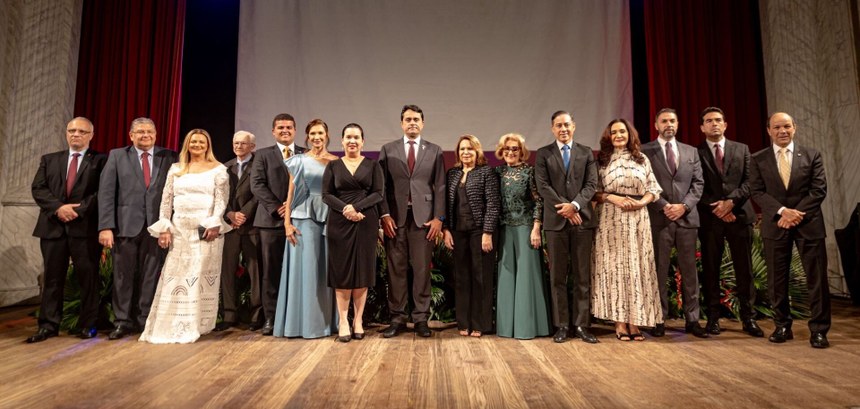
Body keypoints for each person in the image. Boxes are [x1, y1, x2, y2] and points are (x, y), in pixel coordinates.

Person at [140, 129, 230, 344]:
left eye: (202, 142)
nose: (197, 145)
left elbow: (221, 201)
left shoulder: (218, 169)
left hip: (205, 230)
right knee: (176, 274)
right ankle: (169, 323)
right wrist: (164, 227)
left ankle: (197, 324)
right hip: (180, 230)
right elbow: (166, 199)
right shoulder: (176, 169)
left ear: (208, 145)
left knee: (199, 274)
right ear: (187, 145)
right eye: (193, 142)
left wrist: (214, 223)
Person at [749, 112, 830, 348]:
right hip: (776, 224)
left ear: (794, 127)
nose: (782, 131)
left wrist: (794, 214)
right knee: (777, 279)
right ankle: (782, 325)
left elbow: (818, 190)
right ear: (769, 131)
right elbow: (757, 192)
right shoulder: (758, 159)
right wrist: (783, 211)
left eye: (786, 126)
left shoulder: (812, 155)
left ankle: (819, 330)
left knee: (816, 279)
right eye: (777, 127)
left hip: (809, 224)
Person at [28, 117, 107, 343]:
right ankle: (48, 326)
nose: (76, 134)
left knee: (88, 278)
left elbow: (102, 192)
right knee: (52, 279)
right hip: (53, 228)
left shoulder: (101, 160)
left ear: (91, 135)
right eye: (72, 130)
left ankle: (88, 325)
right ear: (66, 133)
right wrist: (59, 208)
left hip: (84, 229)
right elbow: (39, 188)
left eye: (82, 131)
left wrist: (78, 211)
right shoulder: (50, 159)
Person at [98, 117, 178, 340]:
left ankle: (145, 320)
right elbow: (106, 193)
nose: (146, 135)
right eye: (141, 132)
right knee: (122, 276)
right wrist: (106, 227)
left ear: (155, 134)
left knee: (150, 275)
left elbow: (174, 194)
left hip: (157, 228)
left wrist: (168, 226)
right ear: (131, 135)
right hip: (125, 227)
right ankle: (122, 321)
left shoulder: (169, 156)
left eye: (150, 132)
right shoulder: (116, 155)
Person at [378, 105, 446, 338]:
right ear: (401, 123)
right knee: (396, 270)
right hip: (394, 221)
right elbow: (381, 188)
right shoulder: (388, 150)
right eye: (408, 119)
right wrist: (384, 215)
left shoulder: (435, 150)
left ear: (423, 123)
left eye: (416, 119)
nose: (412, 123)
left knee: (421, 271)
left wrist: (439, 218)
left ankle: (420, 320)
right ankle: (397, 319)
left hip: (424, 221)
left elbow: (440, 186)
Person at [591, 119, 662, 341]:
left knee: (636, 269)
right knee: (614, 270)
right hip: (611, 219)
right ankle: (620, 323)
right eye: (614, 132)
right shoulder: (602, 160)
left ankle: (635, 322)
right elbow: (595, 191)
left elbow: (653, 188)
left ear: (629, 134)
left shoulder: (642, 159)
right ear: (608, 137)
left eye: (622, 131)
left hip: (638, 220)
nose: (618, 135)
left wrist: (641, 203)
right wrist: (615, 199)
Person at [696, 107, 763, 337]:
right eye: (709, 121)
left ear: (725, 125)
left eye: (718, 120)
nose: (714, 124)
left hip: (740, 216)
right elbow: (696, 186)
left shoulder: (742, 149)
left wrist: (731, 203)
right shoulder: (696, 153)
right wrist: (718, 208)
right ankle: (713, 318)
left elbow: (750, 181)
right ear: (702, 127)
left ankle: (749, 318)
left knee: (744, 270)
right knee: (711, 270)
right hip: (710, 219)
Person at [534, 110, 599, 344]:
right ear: (552, 128)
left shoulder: (586, 152)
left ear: (574, 126)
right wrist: (565, 208)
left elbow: (592, 184)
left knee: (582, 276)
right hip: (556, 223)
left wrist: (575, 206)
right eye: (558, 125)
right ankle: (561, 325)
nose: (563, 129)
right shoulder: (543, 154)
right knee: (558, 277)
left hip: (582, 221)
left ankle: (581, 325)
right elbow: (542, 186)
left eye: (567, 125)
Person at [641, 108, 707, 338]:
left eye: (672, 121)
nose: (669, 124)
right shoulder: (644, 151)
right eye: (664, 121)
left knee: (690, 272)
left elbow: (698, 184)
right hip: (659, 219)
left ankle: (692, 319)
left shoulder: (691, 151)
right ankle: (659, 318)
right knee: (659, 271)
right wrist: (664, 206)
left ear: (678, 124)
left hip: (687, 219)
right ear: (656, 124)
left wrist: (684, 206)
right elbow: (643, 183)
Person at [273, 119, 338, 339]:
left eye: (320, 133)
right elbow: (290, 194)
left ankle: (328, 324)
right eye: (313, 134)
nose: (317, 137)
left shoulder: (336, 162)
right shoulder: (298, 160)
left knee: (325, 270)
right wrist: (287, 223)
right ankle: (301, 325)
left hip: (329, 218)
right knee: (306, 271)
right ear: (307, 137)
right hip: (303, 218)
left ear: (327, 135)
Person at [322, 123, 385, 342]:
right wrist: (346, 209)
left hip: (366, 221)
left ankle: (358, 320)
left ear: (362, 141)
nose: (352, 141)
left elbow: (378, 193)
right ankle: (342, 320)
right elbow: (326, 194)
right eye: (348, 137)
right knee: (342, 273)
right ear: (342, 140)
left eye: (356, 137)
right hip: (339, 223)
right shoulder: (333, 166)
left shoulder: (373, 165)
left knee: (362, 272)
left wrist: (357, 208)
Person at [250, 113, 306, 335]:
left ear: (295, 130)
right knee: (271, 272)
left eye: (289, 127)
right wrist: (278, 208)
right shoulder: (262, 155)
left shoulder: (305, 153)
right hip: (271, 223)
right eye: (280, 127)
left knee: (298, 271)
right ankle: (271, 318)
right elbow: (257, 184)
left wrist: (293, 209)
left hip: (300, 221)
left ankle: (296, 316)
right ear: (273, 131)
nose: (285, 130)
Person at [442, 135, 500, 338]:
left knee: (480, 278)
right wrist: (446, 229)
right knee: (462, 279)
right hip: (458, 231)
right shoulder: (452, 174)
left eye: (470, 149)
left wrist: (487, 232)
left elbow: (493, 204)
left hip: (479, 231)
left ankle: (480, 324)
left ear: (478, 152)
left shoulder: (486, 172)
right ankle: (463, 322)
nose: (466, 152)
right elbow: (446, 205)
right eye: (462, 149)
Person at [494, 133, 550, 340]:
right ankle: (506, 328)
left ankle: (529, 328)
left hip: (526, 228)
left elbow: (539, 201)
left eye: (515, 149)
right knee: (506, 276)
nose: (510, 152)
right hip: (504, 229)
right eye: (507, 148)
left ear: (521, 151)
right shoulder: (497, 172)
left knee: (527, 278)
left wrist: (536, 228)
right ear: (501, 150)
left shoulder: (529, 172)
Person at [216, 131, 262, 332]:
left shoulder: (259, 166)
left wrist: (244, 214)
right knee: (227, 271)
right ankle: (229, 315)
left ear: (252, 146)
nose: (239, 147)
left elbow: (261, 193)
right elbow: (219, 197)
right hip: (230, 227)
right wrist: (230, 214)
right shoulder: (225, 168)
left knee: (255, 272)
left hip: (252, 226)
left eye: (243, 143)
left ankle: (256, 316)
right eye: (236, 143)